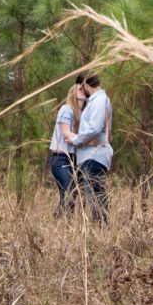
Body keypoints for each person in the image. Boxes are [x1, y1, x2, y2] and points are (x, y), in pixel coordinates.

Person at [64, 72, 112, 224]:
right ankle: (101, 228)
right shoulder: (96, 101)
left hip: (94, 156)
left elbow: (94, 129)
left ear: (85, 84)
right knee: (95, 195)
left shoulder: (99, 100)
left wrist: (77, 140)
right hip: (91, 156)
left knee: (95, 196)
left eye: (80, 86)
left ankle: (101, 229)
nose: (80, 90)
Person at [48, 74, 86, 217]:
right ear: (73, 91)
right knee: (69, 194)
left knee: (69, 196)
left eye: (85, 89)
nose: (83, 90)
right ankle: (62, 226)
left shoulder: (83, 114)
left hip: (75, 159)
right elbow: (66, 134)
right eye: (80, 88)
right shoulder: (67, 109)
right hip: (60, 159)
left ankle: (57, 224)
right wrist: (87, 139)